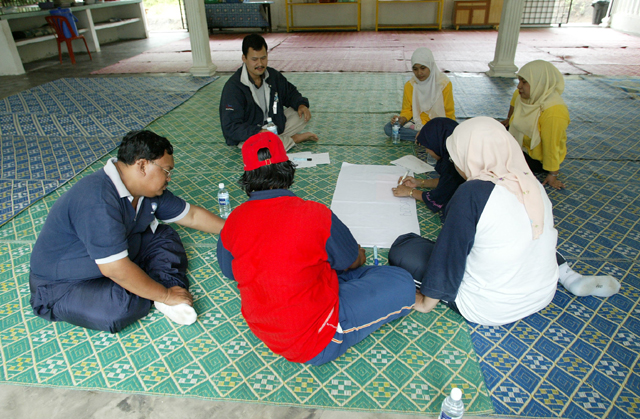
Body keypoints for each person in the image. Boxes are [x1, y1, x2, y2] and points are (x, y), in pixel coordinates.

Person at [388, 117, 620, 326]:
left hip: (489, 308)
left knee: (404, 248)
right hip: (542, 295)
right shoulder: (530, 183)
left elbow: (450, 254)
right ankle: (569, 276)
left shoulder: (472, 193)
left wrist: (426, 303)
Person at [217, 132, 416, 365]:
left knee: (322, 267)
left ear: (247, 176)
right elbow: (352, 260)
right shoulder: (314, 213)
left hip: (264, 327)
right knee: (400, 280)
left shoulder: (234, 220)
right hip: (316, 339)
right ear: (287, 168)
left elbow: (229, 271)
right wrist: (358, 255)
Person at [29, 130, 225, 333]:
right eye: (166, 171)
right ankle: (162, 293)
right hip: (66, 283)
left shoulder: (146, 190)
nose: (169, 178)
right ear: (142, 165)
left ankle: (159, 290)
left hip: (122, 254)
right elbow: (114, 268)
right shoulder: (97, 199)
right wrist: (165, 294)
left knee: (164, 236)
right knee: (118, 309)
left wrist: (235, 230)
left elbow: (191, 215)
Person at [219, 33, 318, 151]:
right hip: (252, 134)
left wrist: (301, 104)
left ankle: (277, 140)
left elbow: (290, 93)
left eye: (263, 58)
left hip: (273, 126)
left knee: (301, 115)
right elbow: (230, 127)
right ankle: (293, 139)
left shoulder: (272, 76)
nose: (260, 64)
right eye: (254, 59)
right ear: (244, 58)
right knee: (263, 147)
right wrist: (259, 131)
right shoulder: (234, 87)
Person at [501, 60, 569, 190]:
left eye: (524, 82)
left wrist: (553, 174)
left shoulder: (554, 112)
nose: (519, 86)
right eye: (519, 81)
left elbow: (551, 145)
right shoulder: (522, 95)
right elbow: (514, 103)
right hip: (520, 140)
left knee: (492, 156)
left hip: (536, 157)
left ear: (540, 83)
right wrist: (509, 119)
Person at [393, 117, 464, 219]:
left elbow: (438, 199)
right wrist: (419, 182)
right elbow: (447, 182)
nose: (426, 151)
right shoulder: (453, 150)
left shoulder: (454, 161)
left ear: (436, 143)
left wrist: (410, 192)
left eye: (427, 147)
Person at [384, 47, 455, 142]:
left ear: (430, 66)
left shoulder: (444, 84)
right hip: (418, 123)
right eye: (415, 69)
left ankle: (423, 136)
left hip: (437, 124)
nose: (419, 73)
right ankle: (426, 137)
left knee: (449, 132)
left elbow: (449, 112)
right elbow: (407, 110)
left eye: (423, 68)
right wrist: (402, 119)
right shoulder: (410, 85)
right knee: (389, 128)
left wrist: (446, 128)